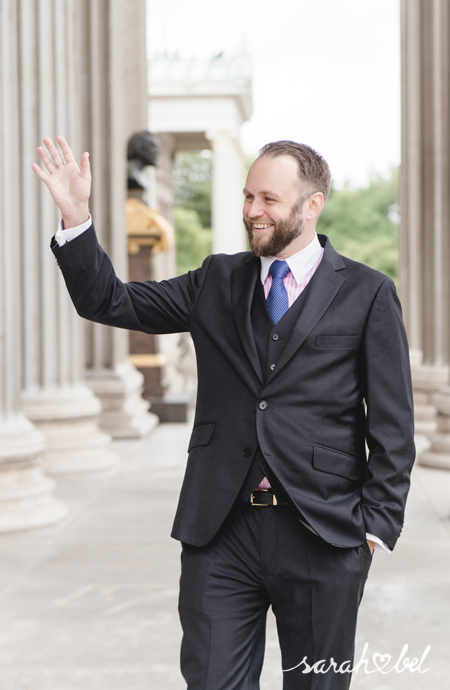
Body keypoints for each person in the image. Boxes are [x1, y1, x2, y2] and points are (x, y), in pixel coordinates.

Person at [33, 136, 415, 690]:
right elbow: (109, 301)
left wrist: (375, 529)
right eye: (247, 196)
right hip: (220, 530)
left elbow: (392, 422)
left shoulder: (368, 293)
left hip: (324, 533)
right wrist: (76, 217)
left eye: (269, 199)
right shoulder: (217, 279)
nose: (252, 211)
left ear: (312, 204)